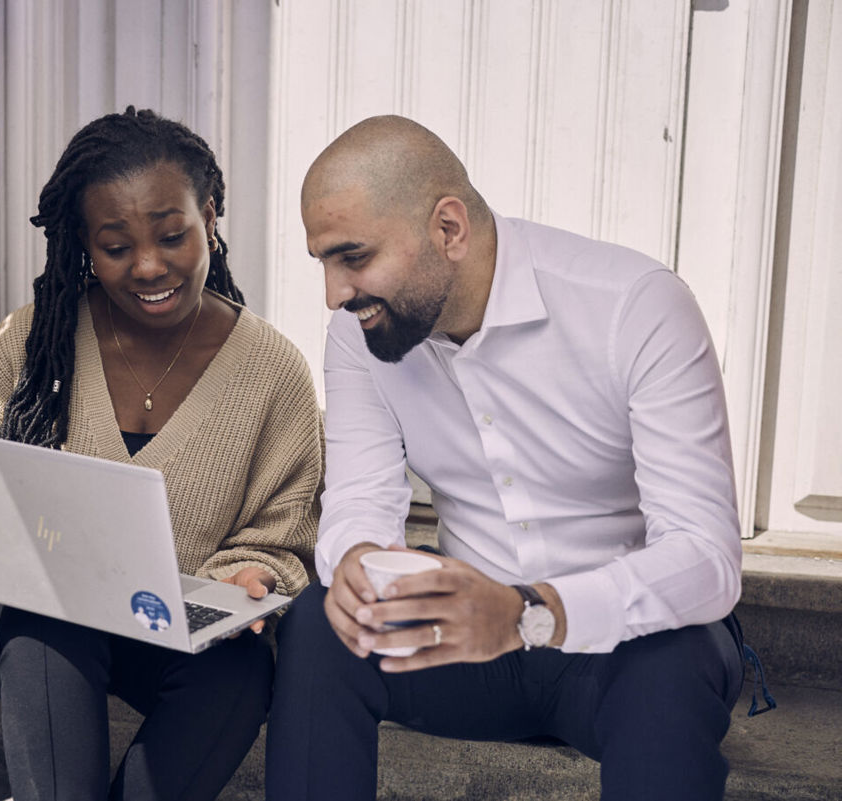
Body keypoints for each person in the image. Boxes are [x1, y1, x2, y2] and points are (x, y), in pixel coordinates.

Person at [264, 115, 749, 801]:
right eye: (324, 263)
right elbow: (358, 502)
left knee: (674, 660)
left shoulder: (634, 306)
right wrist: (352, 560)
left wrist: (530, 611)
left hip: (622, 653)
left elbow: (707, 555)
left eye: (354, 257)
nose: (335, 293)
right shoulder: (358, 335)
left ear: (450, 229)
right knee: (320, 623)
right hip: (463, 645)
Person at [0, 107, 322, 801]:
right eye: (117, 246)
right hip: (39, 619)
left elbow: (281, 538)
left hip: (174, 622)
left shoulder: (274, 372)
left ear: (210, 215)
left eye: (173, 235)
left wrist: (250, 574)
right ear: (84, 244)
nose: (150, 266)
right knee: (44, 620)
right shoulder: (31, 343)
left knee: (241, 674)